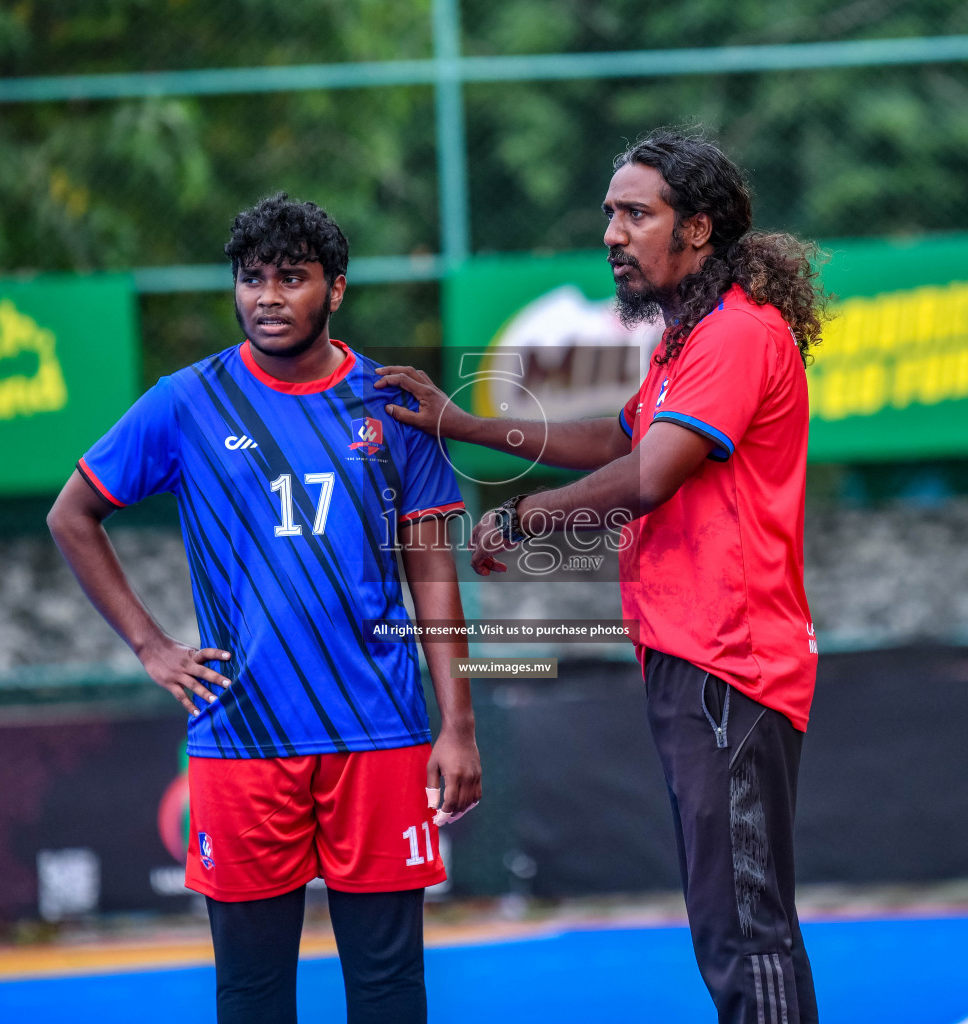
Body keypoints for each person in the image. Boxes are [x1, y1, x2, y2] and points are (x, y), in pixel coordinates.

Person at [377, 128, 826, 1023]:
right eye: (609, 214)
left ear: (697, 228)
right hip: (697, 660)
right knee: (733, 920)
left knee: (743, 926)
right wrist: (457, 424)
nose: (613, 233)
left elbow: (651, 474)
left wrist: (524, 517)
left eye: (635, 213)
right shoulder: (684, 342)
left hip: (730, 664)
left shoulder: (737, 333)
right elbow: (616, 439)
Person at [47, 193, 481, 1024]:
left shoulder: (396, 406)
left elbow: (434, 568)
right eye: (251, 279)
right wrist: (150, 646)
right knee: (251, 993)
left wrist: (455, 725)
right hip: (241, 735)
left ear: (337, 289)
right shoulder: (186, 402)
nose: (268, 297)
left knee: (390, 988)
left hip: (380, 731)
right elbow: (72, 514)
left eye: (292, 278)